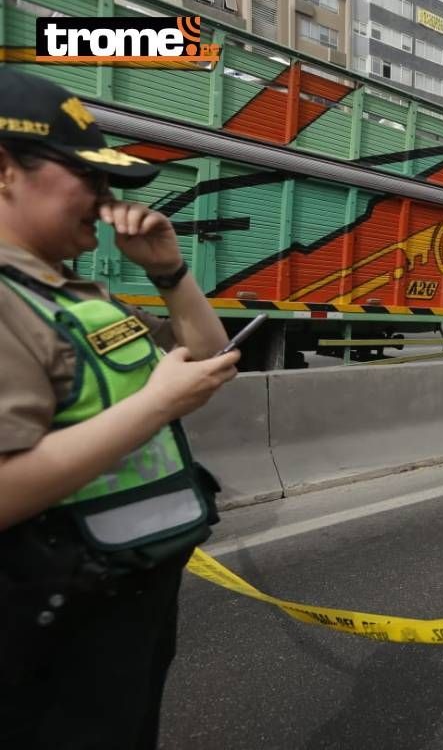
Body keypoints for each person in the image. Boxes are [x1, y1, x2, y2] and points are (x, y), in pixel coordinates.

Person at [0, 68, 240, 747]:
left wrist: (168, 269)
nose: (107, 203)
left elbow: (207, 358)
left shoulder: (75, 291)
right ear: (5, 169)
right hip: (41, 619)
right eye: (89, 179)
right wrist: (156, 405)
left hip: (119, 596)